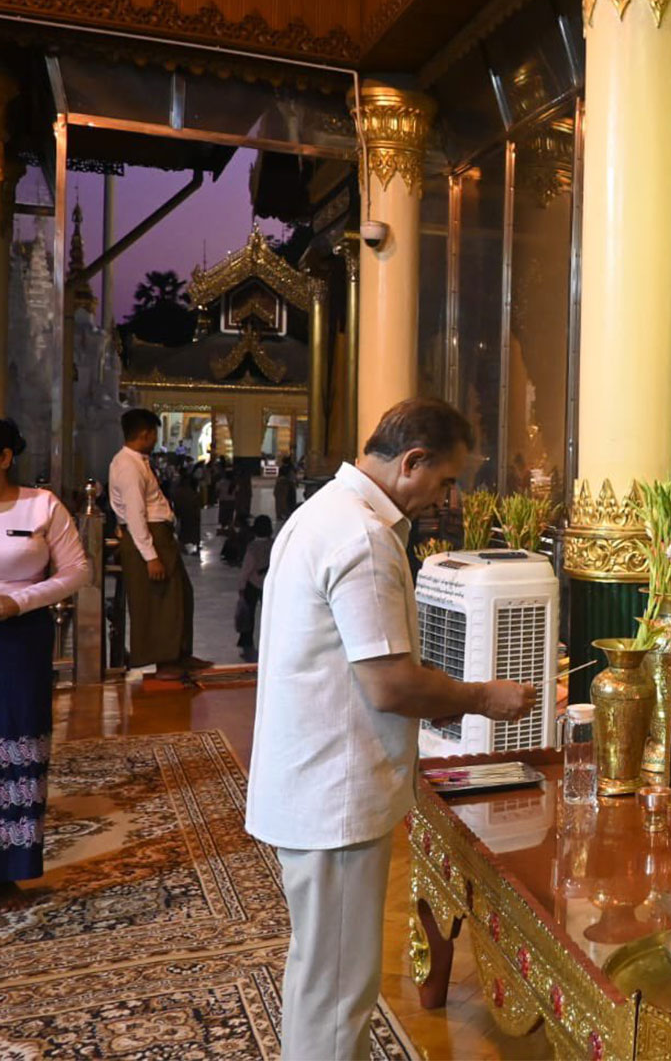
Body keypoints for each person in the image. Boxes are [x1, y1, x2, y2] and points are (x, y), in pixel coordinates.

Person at [245, 398, 539, 1061]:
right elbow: (389, 684)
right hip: (334, 795)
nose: (445, 497)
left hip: (312, 780)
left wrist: (440, 699)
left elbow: (361, 669)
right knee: (339, 990)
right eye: (445, 480)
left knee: (320, 975)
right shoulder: (363, 537)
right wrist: (480, 698)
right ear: (412, 462)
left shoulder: (327, 511)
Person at [0, 418, 90, 900]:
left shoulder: (42, 505)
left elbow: (77, 571)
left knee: (16, 736)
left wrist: (19, 601)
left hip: (20, 638)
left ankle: (10, 862)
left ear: (5, 458)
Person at [110, 408, 203, 680]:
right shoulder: (128, 466)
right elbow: (135, 513)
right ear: (145, 433)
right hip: (149, 536)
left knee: (180, 594)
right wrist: (150, 556)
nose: (155, 440)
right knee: (159, 602)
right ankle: (163, 661)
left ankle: (180, 653)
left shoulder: (138, 461)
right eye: (153, 434)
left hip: (157, 533)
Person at [235, 515, 273, 662]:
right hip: (269, 584)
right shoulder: (274, 544)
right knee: (269, 613)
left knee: (248, 614)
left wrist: (241, 586)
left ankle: (246, 642)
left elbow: (246, 569)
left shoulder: (252, 547)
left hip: (252, 584)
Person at [172, 473, 202, 556]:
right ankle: (196, 545)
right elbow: (197, 502)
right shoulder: (191, 491)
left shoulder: (178, 491)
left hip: (184, 513)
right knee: (193, 530)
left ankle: (183, 546)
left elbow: (175, 503)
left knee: (184, 530)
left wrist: (177, 513)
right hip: (191, 513)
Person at [274, 458, 298, 525]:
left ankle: (283, 514)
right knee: (286, 501)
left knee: (283, 501)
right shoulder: (290, 469)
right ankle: (285, 514)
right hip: (285, 485)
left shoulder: (284, 469)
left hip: (285, 485)